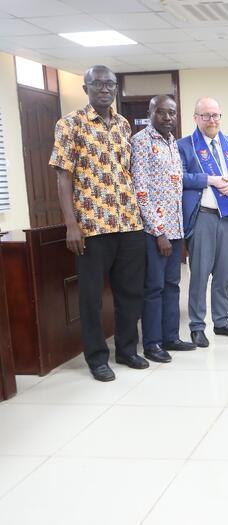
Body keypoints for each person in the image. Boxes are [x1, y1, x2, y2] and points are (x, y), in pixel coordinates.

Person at [49, 65, 147, 382]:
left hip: (128, 221)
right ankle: (96, 358)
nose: (105, 89)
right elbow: (63, 176)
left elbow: (128, 171)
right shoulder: (69, 124)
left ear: (116, 88)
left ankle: (128, 350)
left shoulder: (123, 124)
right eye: (98, 83)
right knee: (91, 297)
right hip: (91, 225)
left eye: (110, 84)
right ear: (86, 87)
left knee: (131, 292)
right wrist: (70, 224)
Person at [179, 97, 228, 347]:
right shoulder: (185, 145)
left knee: (223, 275)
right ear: (196, 118)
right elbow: (179, 177)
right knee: (199, 275)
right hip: (203, 218)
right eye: (206, 115)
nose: (212, 120)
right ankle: (197, 326)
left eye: (216, 115)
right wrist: (208, 179)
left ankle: (221, 321)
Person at [131, 95, 195, 364]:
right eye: (162, 113)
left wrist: (175, 230)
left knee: (172, 285)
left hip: (176, 228)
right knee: (154, 287)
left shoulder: (172, 143)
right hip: (155, 232)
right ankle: (152, 343)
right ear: (150, 113)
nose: (168, 117)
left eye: (172, 113)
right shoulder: (141, 141)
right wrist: (159, 232)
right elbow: (141, 190)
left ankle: (171, 336)